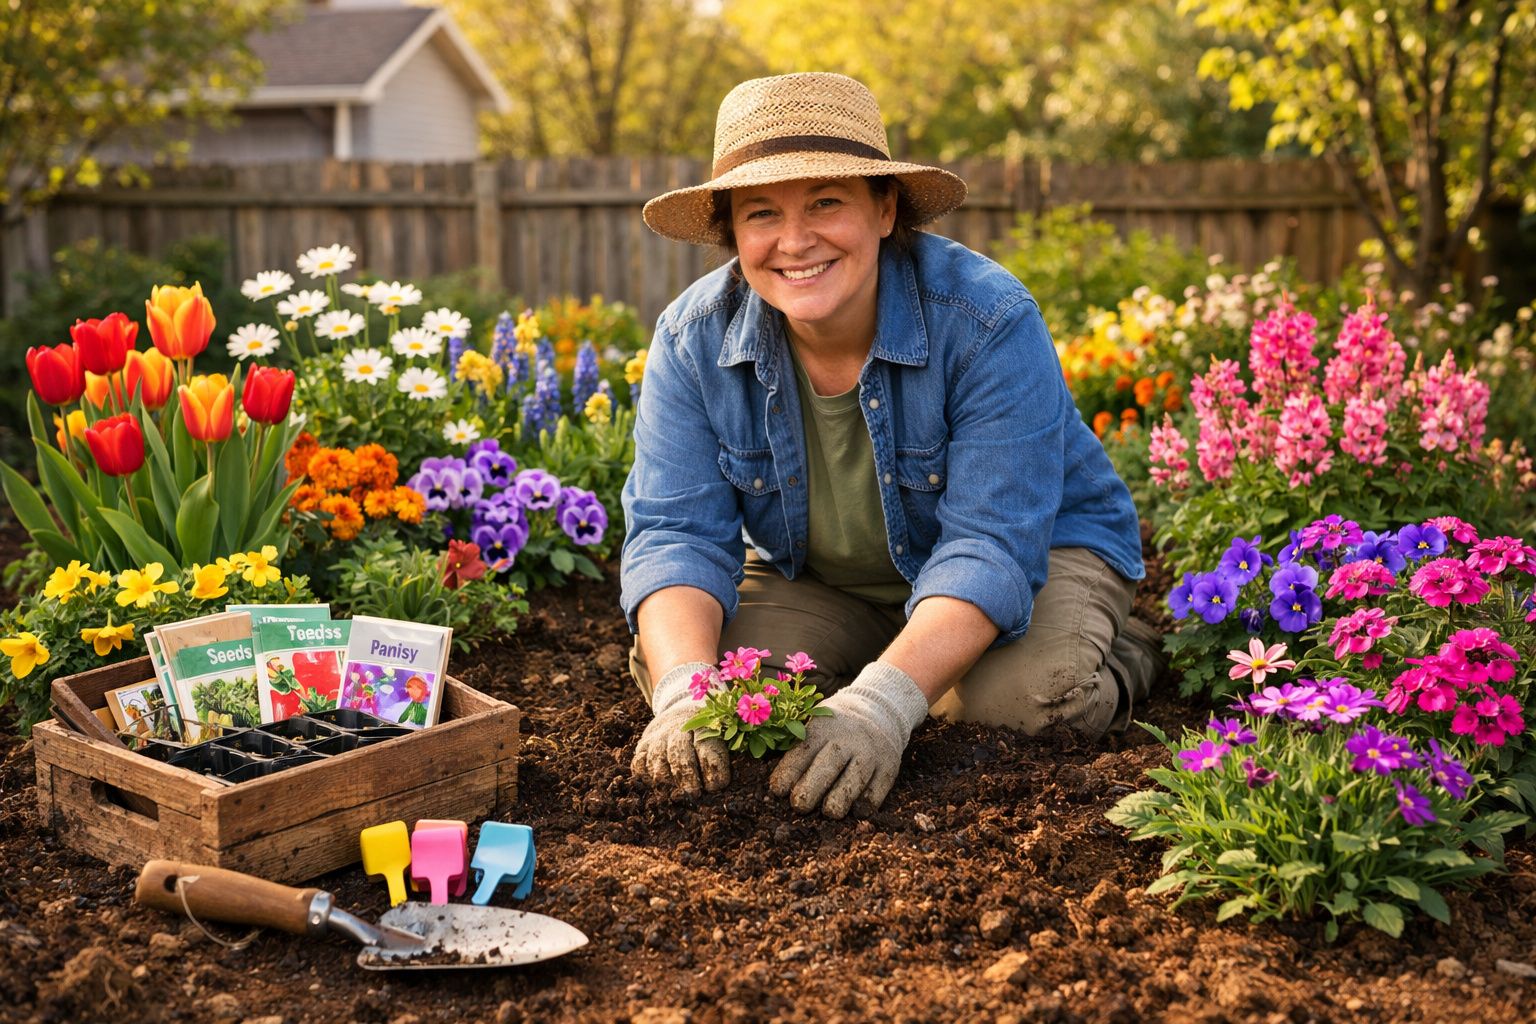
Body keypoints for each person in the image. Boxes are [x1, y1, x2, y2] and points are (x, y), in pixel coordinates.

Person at [621, 72, 1162, 819]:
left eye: (826, 202)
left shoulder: (986, 320)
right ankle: (908, 664)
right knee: (734, 702)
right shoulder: (692, 340)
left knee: (1029, 707)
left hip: (1040, 551)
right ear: (732, 233)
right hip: (824, 575)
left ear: (885, 209)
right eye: (761, 213)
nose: (794, 240)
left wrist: (879, 704)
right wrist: (685, 693)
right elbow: (675, 534)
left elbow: (992, 545)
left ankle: (1118, 647)